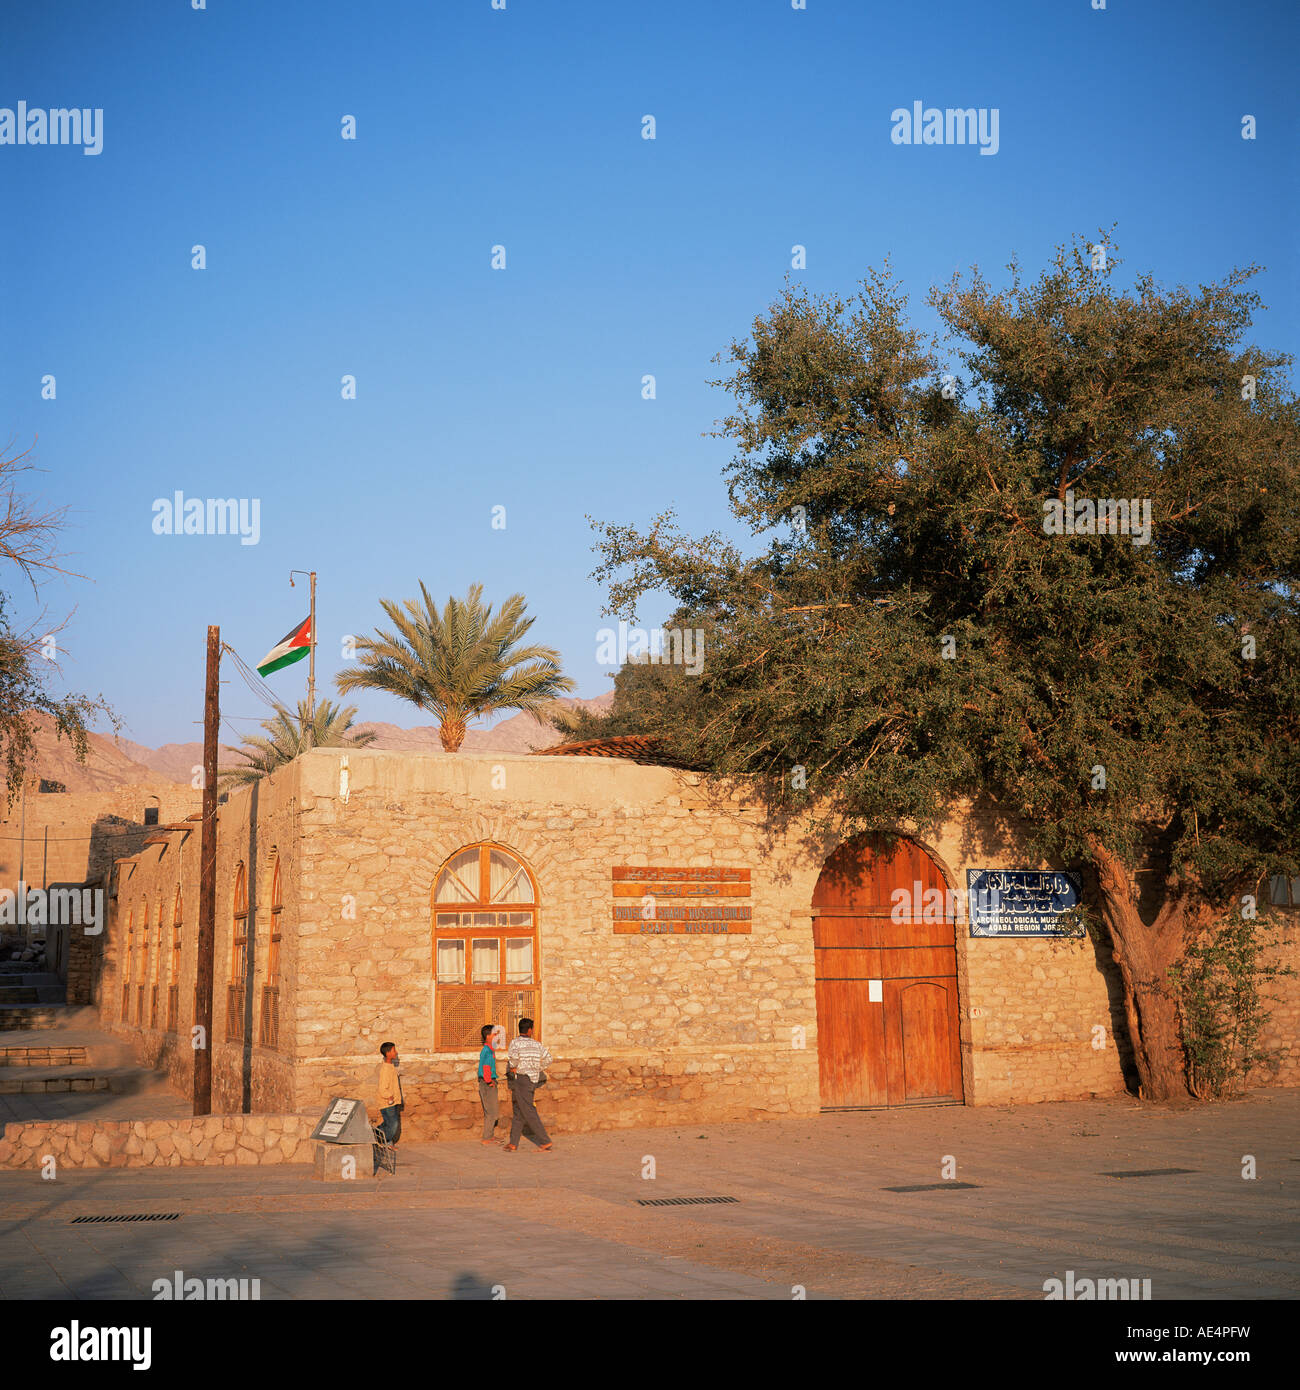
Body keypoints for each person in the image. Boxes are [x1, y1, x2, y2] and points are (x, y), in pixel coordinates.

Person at [504, 1017, 553, 1152]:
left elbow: (513, 1059)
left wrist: (514, 1067)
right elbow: (549, 1058)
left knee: (528, 1110)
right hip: (533, 1079)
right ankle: (513, 1143)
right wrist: (538, 1068)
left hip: (522, 1079)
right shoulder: (537, 1044)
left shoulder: (515, 1043)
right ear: (530, 1030)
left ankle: (545, 1141)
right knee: (519, 1110)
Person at [477, 1023, 503, 1145]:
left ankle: (490, 1136)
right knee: (491, 1111)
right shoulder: (487, 1050)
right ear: (488, 1036)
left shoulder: (489, 1049)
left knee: (493, 1110)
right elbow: (486, 1067)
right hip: (487, 1083)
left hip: (489, 1082)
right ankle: (486, 1138)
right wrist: (489, 1082)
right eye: (494, 1034)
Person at [376, 1041, 403, 1144]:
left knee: (389, 1123)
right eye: (394, 1050)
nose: (396, 1052)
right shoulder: (385, 1069)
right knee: (393, 1125)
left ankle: (386, 1142)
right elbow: (382, 1088)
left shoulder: (390, 1066)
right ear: (387, 1053)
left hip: (392, 1101)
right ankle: (378, 1139)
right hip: (387, 1102)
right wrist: (390, 1096)